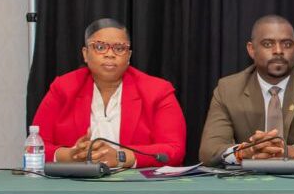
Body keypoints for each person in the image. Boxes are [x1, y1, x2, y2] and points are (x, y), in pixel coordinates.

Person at [32, 18, 186, 168]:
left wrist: (120, 157)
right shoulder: (63, 88)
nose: (110, 54)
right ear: (85, 54)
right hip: (76, 181)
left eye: (119, 48)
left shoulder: (157, 91)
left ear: (128, 56)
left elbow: (174, 149)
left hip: (135, 183)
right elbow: (34, 146)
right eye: (100, 47)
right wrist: (71, 155)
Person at [199, 15, 294, 166]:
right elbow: (208, 152)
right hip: (249, 178)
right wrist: (245, 152)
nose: (278, 51)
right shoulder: (228, 89)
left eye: (287, 44)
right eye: (268, 44)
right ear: (251, 49)